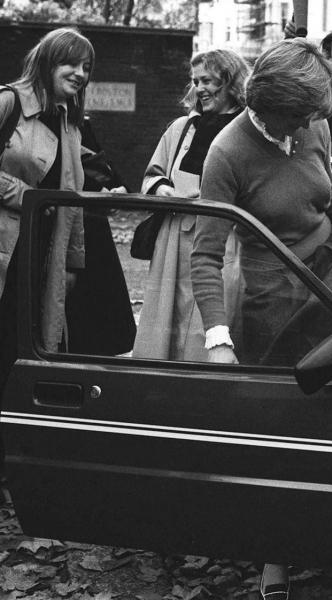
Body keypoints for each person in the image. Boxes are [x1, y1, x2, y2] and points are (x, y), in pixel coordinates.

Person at [189, 38, 332, 599]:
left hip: (328, 261)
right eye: (303, 115)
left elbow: (325, 197)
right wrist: (217, 339)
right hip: (272, 283)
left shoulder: (313, 126)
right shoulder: (227, 153)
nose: (312, 124)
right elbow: (205, 256)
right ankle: (273, 556)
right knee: (277, 424)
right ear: (273, 105)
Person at [133, 49, 249, 360]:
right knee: (167, 321)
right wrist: (166, 192)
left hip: (224, 241)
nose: (199, 88)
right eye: (195, 81)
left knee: (211, 319)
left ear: (230, 82)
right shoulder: (181, 128)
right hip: (174, 238)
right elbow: (152, 177)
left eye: (208, 80)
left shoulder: (247, 133)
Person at [0, 27, 92, 409]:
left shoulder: (70, 120)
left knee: (27, 348)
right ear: (47, 63)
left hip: (42, 255)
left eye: (86, 66)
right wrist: (30, 198)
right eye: (70, 62)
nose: (80, 73)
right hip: (8, 245)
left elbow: (73, 200)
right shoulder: (10, 103)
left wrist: (73, 262)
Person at [64, 117, 136, 356]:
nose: (79, 76)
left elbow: (97, 162)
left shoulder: (78, 122)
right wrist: (99, 191)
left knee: (96, 323)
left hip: (90, 228)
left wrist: (117, 186)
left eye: (86, 75)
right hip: (64, 221)